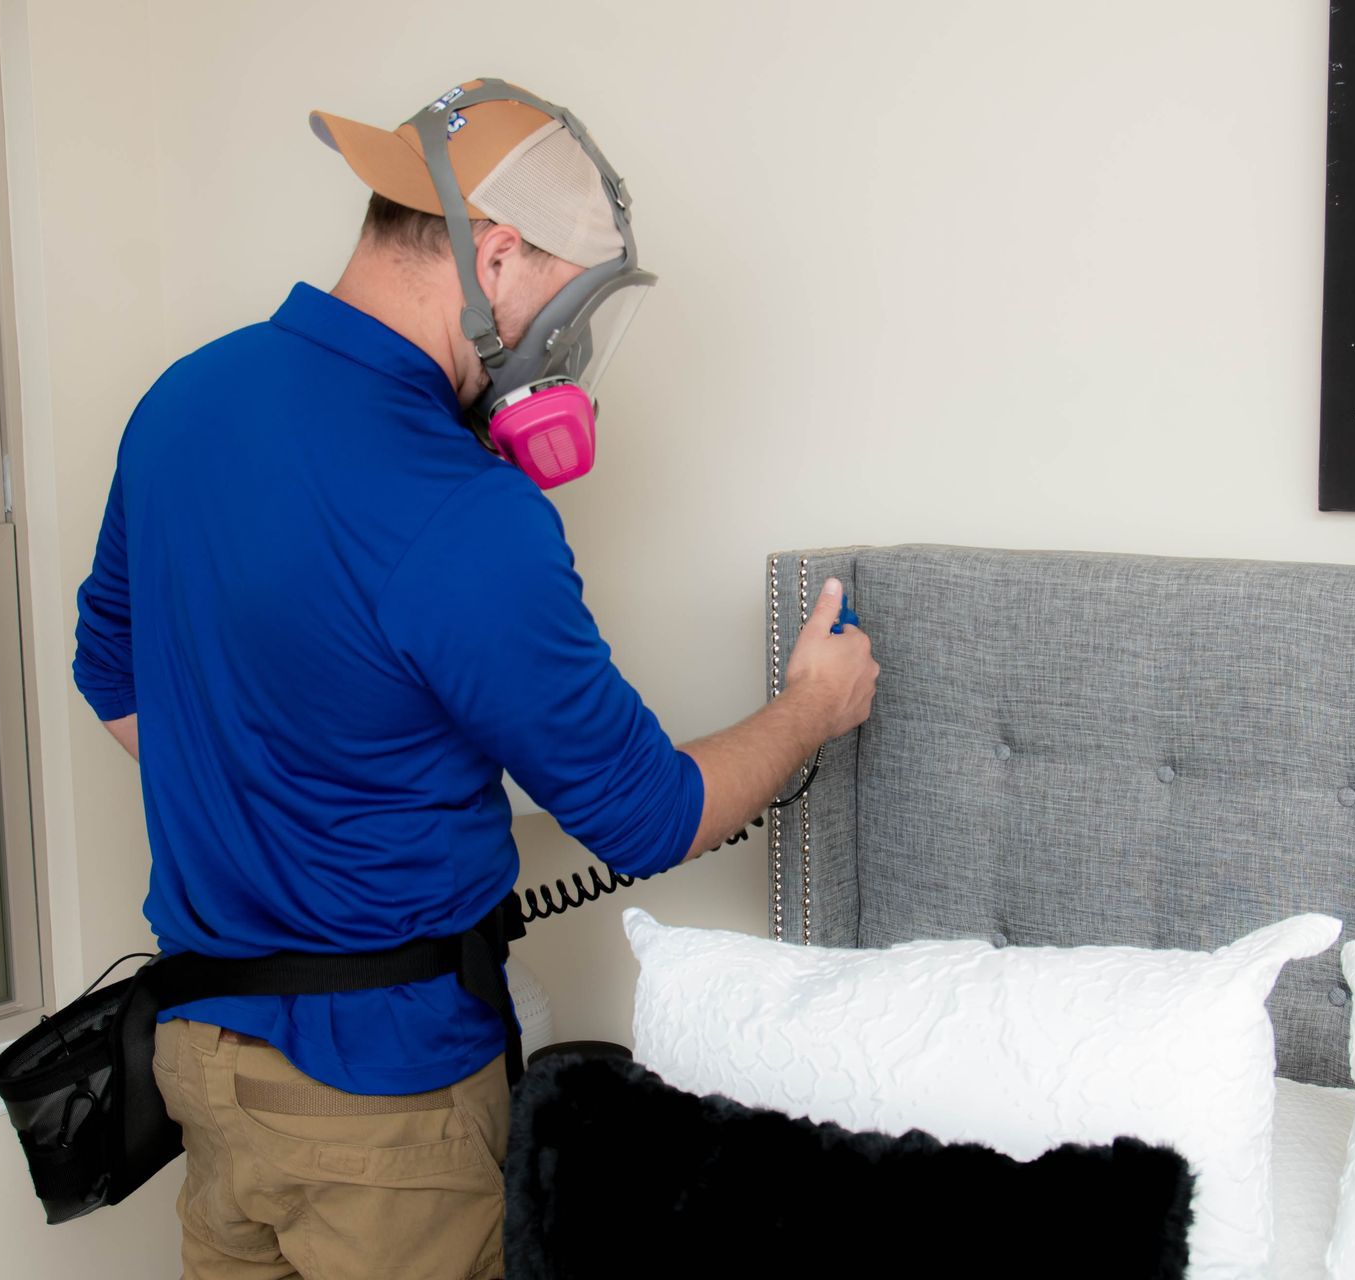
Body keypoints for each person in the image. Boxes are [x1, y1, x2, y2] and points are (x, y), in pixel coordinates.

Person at [71, 79, 877, 1279]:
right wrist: (813, 706)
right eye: (573, 303)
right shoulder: (462, 513)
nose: (573, 346)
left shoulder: (183, 400)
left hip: (204, 1060)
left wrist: (282, 801)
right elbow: (648, 816)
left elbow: (114, 677)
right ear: (496, 255)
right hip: (383, 1105)